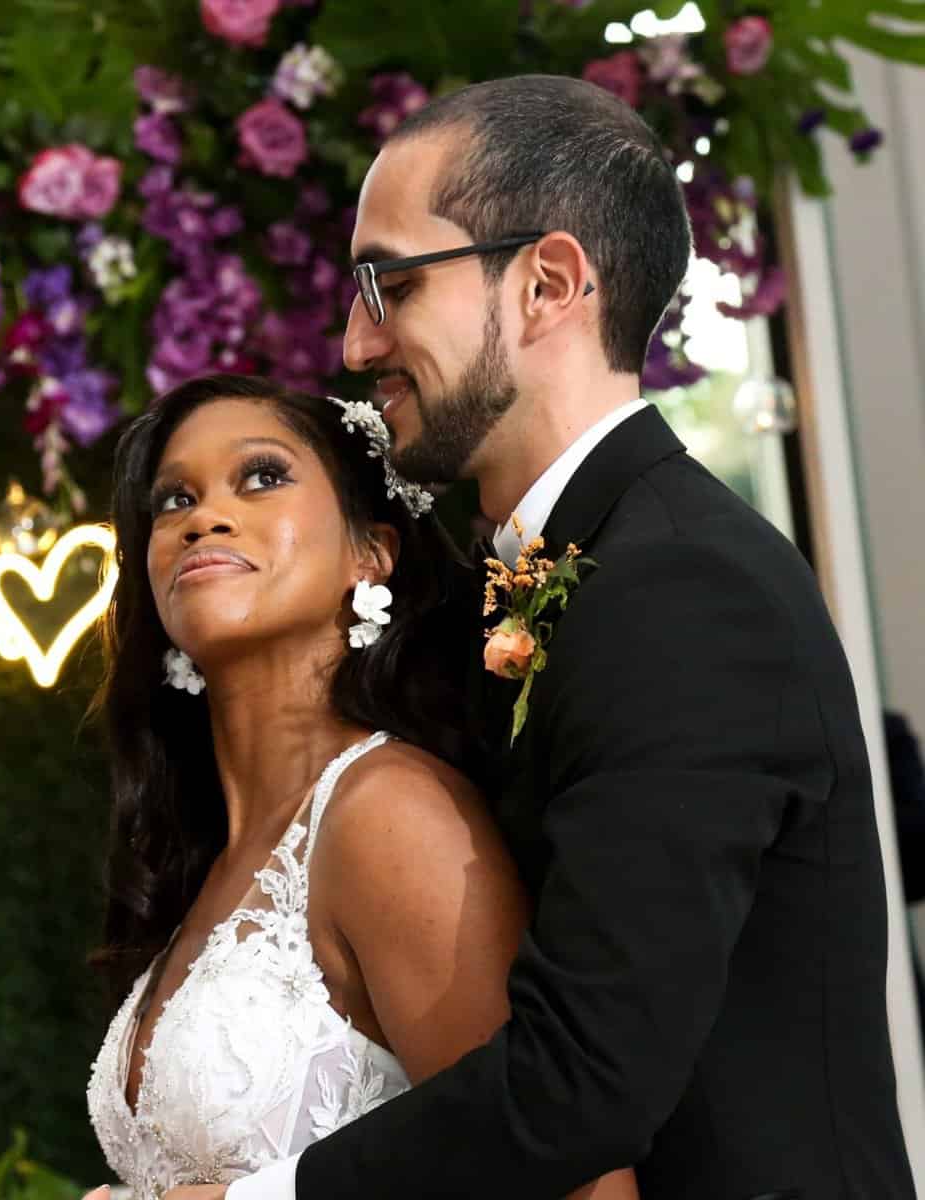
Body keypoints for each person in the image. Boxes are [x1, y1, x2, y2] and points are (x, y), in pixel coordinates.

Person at [206, 74, 913, 1199]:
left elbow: (585, 1078)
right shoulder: (531, 570)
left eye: (386, 283)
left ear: (544, 284)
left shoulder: (681, 590)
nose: (351, 342)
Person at [82, 373, 636, 1199]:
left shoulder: (386, 812)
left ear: (369, 552)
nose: (203, 517)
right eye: (171, 501)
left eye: (261, 476)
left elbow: (573, 1186)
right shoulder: (210, 863)